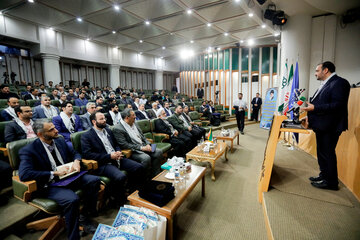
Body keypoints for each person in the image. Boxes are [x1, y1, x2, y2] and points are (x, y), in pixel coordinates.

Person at [18, 119, 100, 239]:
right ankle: (73, 237)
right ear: (40, 134)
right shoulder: (29, 150)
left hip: (68, 178)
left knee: (94, 180)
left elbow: (75, 153)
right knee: (72, 200)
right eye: (51, 130)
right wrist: (53, 173)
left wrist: (77, 161)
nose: (56, 131)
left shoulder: (59, 140)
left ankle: (84, 216)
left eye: (54, 127)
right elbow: (24, 174)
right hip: (49, 184)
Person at [301, 61, 350, 190]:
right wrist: (309, 115)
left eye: (317, 71)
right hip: (322, 125)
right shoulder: (326, 84)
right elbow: (320, 103)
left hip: (331, 126)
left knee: (328, 153)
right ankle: (324, 175)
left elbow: (337, 105)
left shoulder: (340, 83)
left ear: (325, 70)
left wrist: (314, 108)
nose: (315, 73)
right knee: (322, 152)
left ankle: (331, 182)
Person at [81, 112, 144, 206]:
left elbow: (116, 145)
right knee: (120, 176)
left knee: (138, 167)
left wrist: (118, 151)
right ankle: (118, 202)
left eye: (104, 118)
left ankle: (132, 193)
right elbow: (88, 155)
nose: (104, 120)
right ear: (94, 121)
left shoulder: (108, 130)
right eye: (101, 119)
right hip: (103, 163)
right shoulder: (86, 136)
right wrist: (109, 156)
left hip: (116, 158)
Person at [113, 109, 163, 177]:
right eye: (133, 115)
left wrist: (148, 144)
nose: (135, 116)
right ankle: (145, 178)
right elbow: (124, 145)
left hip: (144, 145)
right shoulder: (118, 128)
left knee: (159, 151)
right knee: (146, 158)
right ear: (127, 118)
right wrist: (142, 148)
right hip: (134, 150)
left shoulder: (135, 123)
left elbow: (142, 136)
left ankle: (155, 174)